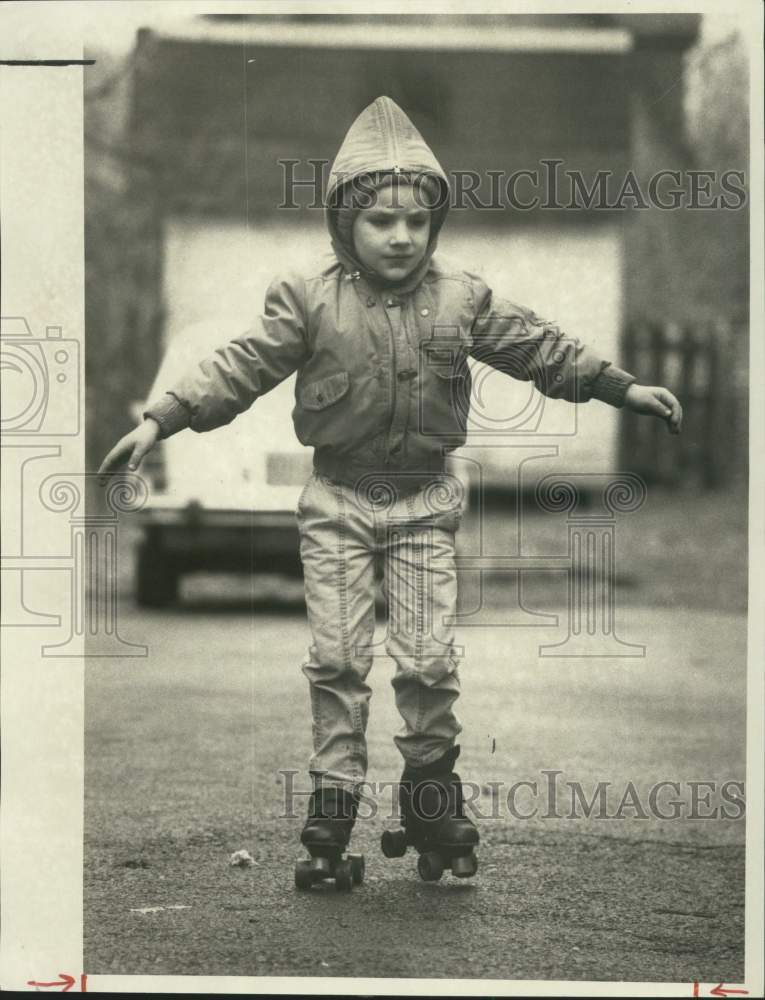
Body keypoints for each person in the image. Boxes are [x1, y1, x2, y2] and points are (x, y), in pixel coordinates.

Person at [98, 96, 682, 888]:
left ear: (434, 224)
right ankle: (332, 808)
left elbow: (539, 347)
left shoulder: (462, 298)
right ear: (346, 225)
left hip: (423, 506)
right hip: (337, 503)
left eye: (415, 220)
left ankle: (430, 800)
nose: (400, 235)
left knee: (429, 661)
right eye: (379, 220)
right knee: (337, 659)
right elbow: (236, 364)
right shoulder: (305, 299)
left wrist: (620, 388)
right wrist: (161, 420)